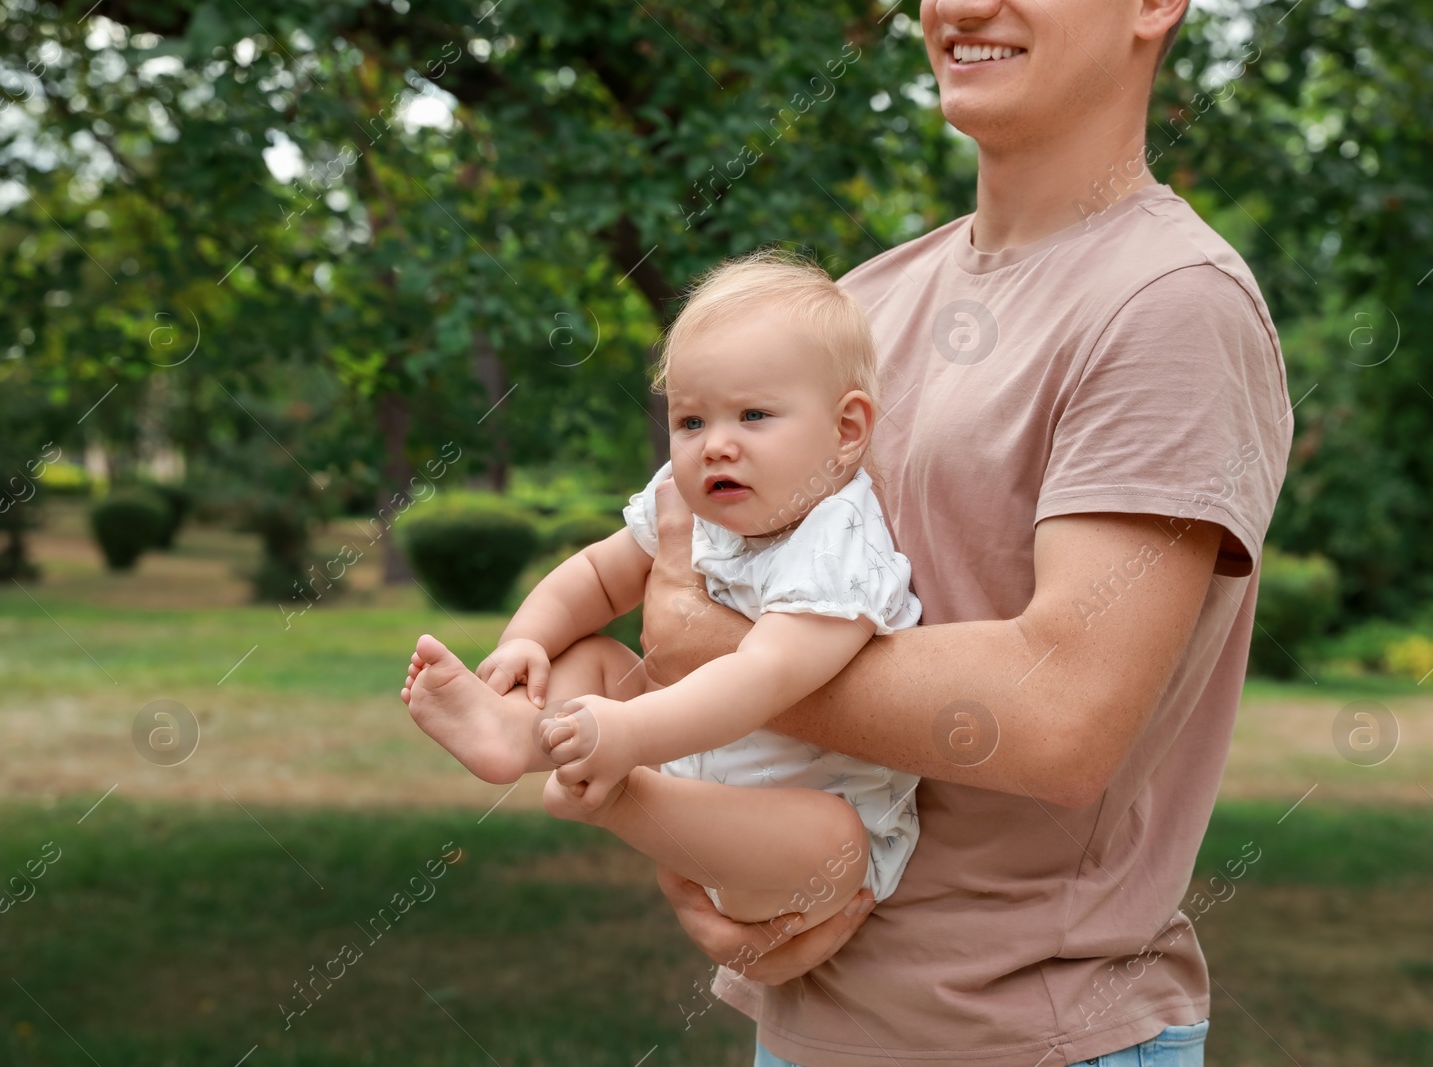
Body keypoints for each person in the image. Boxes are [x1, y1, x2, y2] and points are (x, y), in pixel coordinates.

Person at [629, 0, 1294, 1064]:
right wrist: (690, 860)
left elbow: (1060, 715)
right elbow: (698, 551)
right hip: (810, 1025)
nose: (957, 7)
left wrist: (704, 648)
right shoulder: (860, 306)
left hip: (1033, 1037)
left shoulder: (1170, 306)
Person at [401, 252, 926, 936]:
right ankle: (514, 731)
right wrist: (526, 639)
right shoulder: (688, 503)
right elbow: (596, 573)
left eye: (754, 414)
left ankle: (614, 793)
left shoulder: (837, 539)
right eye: (691, 422)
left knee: (832, 836)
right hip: (690, 780)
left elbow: (762, 674)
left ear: (846, 431)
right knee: (592, 656)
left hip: (802, 849)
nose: (716, 446)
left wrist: (628, 733)